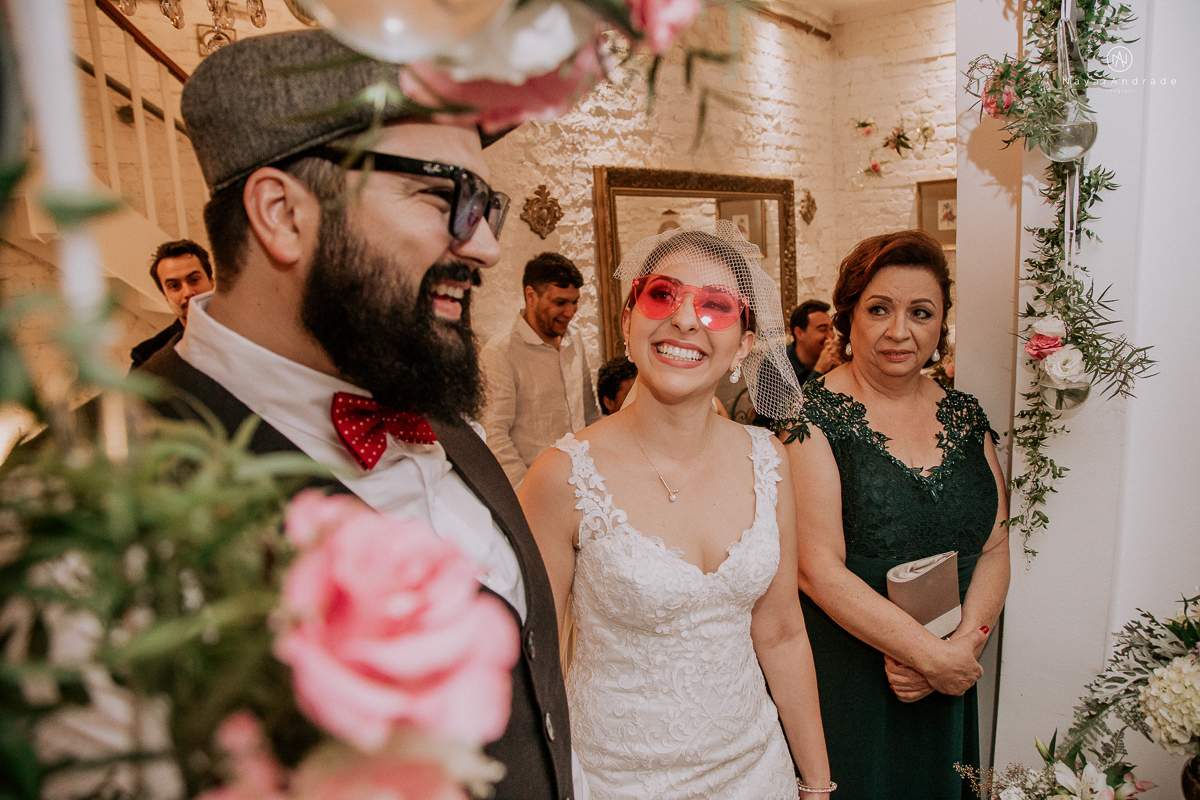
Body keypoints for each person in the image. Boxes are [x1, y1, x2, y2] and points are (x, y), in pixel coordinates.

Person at [136, 30, 577, 800]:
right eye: (445, 196)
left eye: (488, 206)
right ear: (282, 212)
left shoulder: (429, 397)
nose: (488, 250)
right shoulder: (98, 495)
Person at [520, 221, 831, 800]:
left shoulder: (770, 460)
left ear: (743, 344)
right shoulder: (561, 476)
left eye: (716, 306)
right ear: (627, 320)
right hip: (615, 781)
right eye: (663, 294)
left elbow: (783, 632)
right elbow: (532, 662)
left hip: (754, 772)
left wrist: (815, 783)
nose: (686, 319)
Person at [780, 230, 1010, 799]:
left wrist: (963, 648)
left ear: (941, 326)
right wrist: (927, 655)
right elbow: (816, 567)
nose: (899, 331)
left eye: (921, 312)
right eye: (879, 309)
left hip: (947, 671)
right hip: (855, 669)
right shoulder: (809, 418)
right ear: (848, 317)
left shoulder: (963, 412)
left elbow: (998, 547)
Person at [481, 252, 601, 489]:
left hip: (583, 484)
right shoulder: (499, 353)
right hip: (537, 489)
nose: (570, 312)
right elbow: (494, 435)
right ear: (531, 296)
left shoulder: (575, 338)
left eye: (574, 301)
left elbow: (589, 414)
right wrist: (526, 491)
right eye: (560, 302)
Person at [129, 240, 214, 368]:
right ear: (165, 295)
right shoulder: (148, 356)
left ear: (211, 280)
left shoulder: (249, 326)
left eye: (194, 280)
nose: (187, 292)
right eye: (174, 286)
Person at [787, 299, 840, 386]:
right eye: (822, 330)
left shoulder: (836, 358)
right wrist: (819, 370)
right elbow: (794, 399)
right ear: (799, 333)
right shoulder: (775, 364)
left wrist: (838, 371)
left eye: (831, 329)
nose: (831, 336)